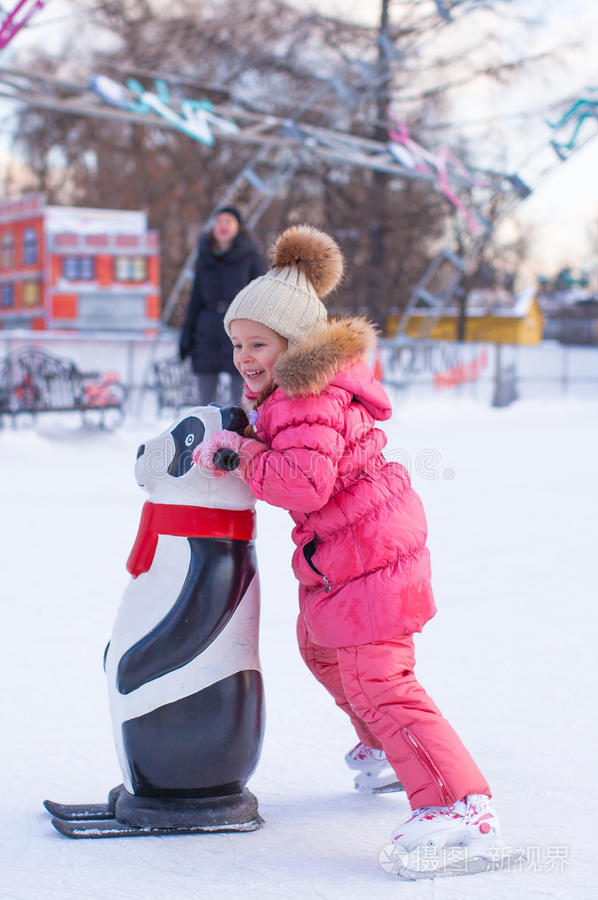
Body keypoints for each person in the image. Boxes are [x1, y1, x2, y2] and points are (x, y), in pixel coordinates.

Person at [195, 225, 503, 864]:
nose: (244, 357)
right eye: (237, 344)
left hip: (370, 559)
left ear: (295, 344)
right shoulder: (292, 397)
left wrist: (243, 451)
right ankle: (393, 751)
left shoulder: (307, 396)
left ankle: (456, 804)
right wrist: (254, 440)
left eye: (258, 344)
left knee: (381, 679)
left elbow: (305, 483)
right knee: (322, 651)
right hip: (353, 557)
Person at [179, 206, 266, 405]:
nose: (223, 226)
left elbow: (260, 294)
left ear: (238, 227)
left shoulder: (251, 255)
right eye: (219, 222)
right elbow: (195, 300)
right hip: (207, 334)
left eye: (228, 221)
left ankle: (241, 435)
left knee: (242, 399)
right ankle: (210, 436)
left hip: (239, 331)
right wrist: (186, 337)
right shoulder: (204, 256)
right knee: (206, 403)